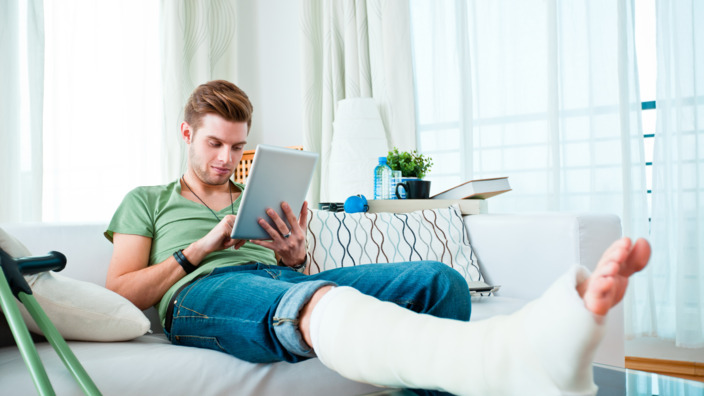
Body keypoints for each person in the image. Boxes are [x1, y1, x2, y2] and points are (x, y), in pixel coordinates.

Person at [105, 80, 651, 395]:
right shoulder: (148, 200)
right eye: (213, 144)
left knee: (439, 282)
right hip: (202, 296)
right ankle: (504, 359)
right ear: (186, 134)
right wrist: (198, 251)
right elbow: (121, 295)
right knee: (314, 300)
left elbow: (290, 274)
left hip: (277, 282)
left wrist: (294, 255)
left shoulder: (254, 194)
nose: (226, 159)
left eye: (237, 146)